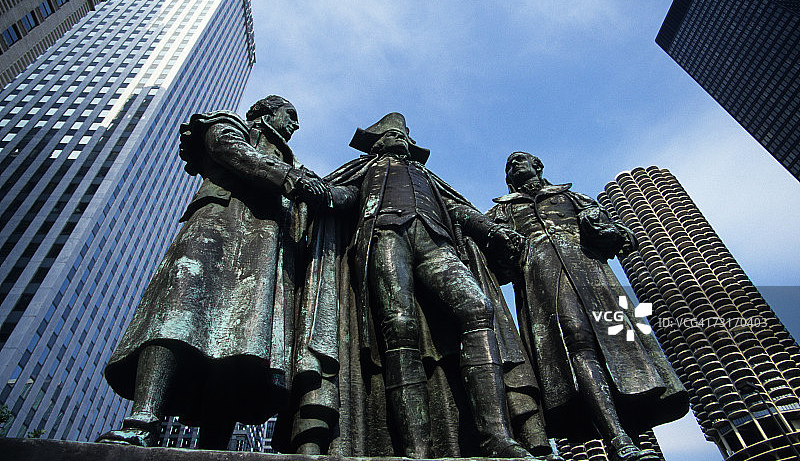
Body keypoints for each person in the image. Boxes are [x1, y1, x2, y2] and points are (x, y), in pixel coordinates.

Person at [277, 113, 555, 459]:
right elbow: (346, 196)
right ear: (377, 143)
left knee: (478, 309)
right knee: (399, 328)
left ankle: (496, 436)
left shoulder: (426, 175)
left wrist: (491, 230)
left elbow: (458, 209)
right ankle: (417, 449)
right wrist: (319, 192)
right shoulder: (367, 169)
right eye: (392, 135)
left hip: (436, 242)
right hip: (385, 236)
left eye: (403, 136)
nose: (400, 140)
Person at [98, 96, 328, 448]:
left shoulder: (293, 162)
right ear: (267, 112)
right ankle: (141, 421)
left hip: (264, 251)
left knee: (241, 344)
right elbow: (232, 151)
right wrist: (290, 179)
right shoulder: (230, 125)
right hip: (218, 227)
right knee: (176, 315)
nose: (294, 126)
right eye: (290, 116)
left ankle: (215, 444)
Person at [486, 152, 688, 461]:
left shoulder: (571, 196)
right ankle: (618, 438)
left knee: (617, 347)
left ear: (538, 166)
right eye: (509, 166)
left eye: (519, 161)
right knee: (576, 340)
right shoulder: (502, 210)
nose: (513, 168)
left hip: (589, 272)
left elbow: (618, 235)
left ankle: (629, 436)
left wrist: (607, 229)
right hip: (542, 277)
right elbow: (489, 254)